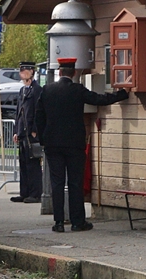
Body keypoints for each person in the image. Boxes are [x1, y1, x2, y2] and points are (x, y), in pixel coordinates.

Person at [34, 57, 128, 232]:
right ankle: (78, 222)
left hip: (53, 144)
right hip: (74, 144)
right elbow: (99, 99)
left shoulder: (47, 90)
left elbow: (39, 117)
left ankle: (59, 222)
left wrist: (43, 139)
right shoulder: (77, 90)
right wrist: (122, 94)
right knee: (75, 182)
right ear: (74, 72)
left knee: (57, 183)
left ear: (60, 72)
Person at [12, 62, 43, 202]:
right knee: (23, 164)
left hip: (31, 132)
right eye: (21, 70)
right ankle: (24, 192)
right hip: (22, 131)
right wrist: (16, 131)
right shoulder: (22, 90)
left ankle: (35, 193)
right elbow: (18, 112)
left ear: (32, 71)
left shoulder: (36, 90)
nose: (22, 72)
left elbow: (38, 111)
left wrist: (35, 129)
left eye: (25, 70)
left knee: (33, 164)